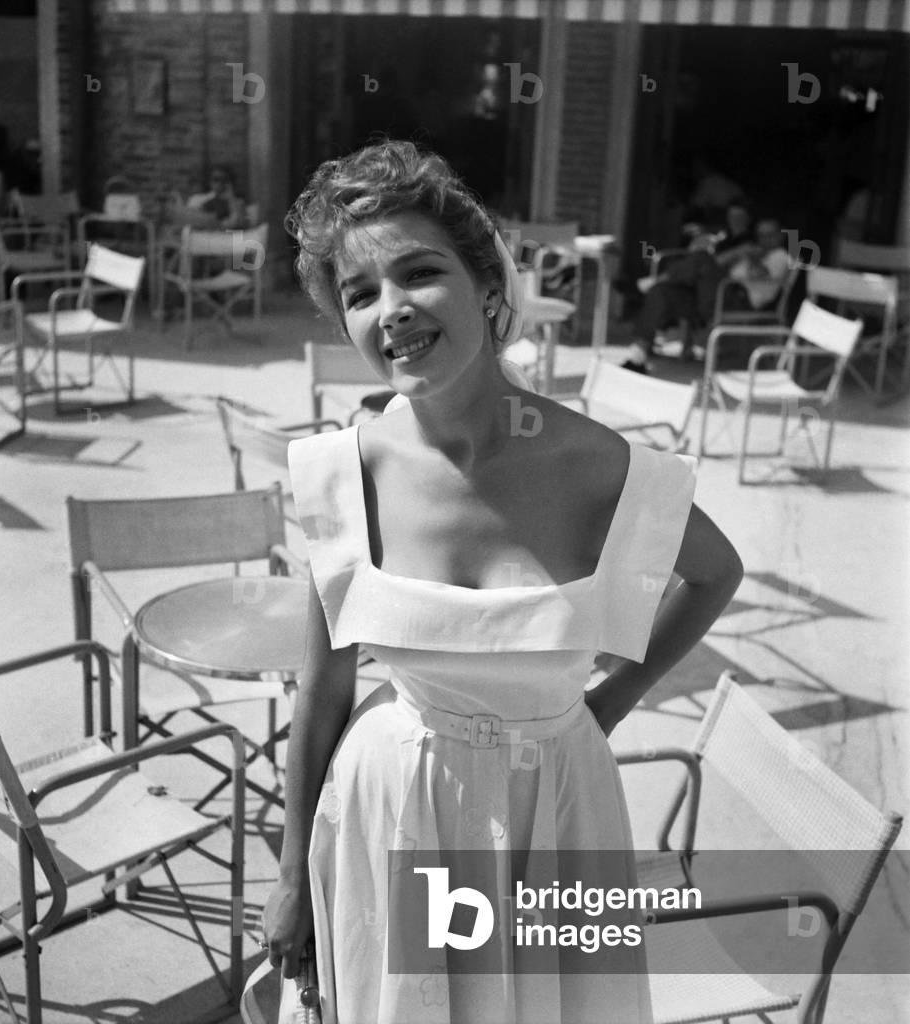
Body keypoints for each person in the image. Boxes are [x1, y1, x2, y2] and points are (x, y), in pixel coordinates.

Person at [254, 140, 743, 1024]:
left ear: (487, 287)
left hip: (556, 814)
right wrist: (291, 873)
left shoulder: (598, 464)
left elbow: (713, 573)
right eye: (360, 294)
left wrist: (600, 710)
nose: (391, 310)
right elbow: (322, 692)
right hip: (388, 809)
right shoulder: (340, 473)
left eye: (417, 273)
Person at [623, 214, 791, 373]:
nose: (765, 240)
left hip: (739, 302)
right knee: (662, 292)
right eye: (761, 235)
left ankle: (654, 281)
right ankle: (638, 352)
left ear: (781, 236)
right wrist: (739, 252)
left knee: (702, 257)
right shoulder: (752, 251)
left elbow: (760, 275)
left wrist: (751, 257)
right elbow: (716, 262)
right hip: (712, 299)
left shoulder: (781, 256)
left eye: (770, 235)